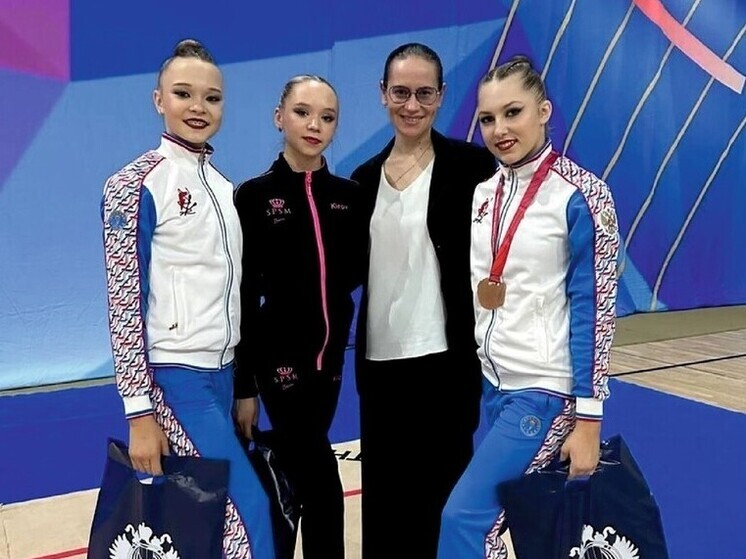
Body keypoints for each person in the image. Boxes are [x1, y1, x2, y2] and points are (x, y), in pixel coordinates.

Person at [436, 55, 620, 558]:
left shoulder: (582, 195)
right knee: (510, 523)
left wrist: (589, 419)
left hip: (545, 392)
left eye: (512, 112)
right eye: (487, 118)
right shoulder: (484, 193)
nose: (499, 129)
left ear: (544, 111)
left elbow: (596, 308)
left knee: (465, 520)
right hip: (496, 385)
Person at [100, 39, 275, 559]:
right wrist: (139, 413)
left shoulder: (222, 186)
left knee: (204, 527)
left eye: (212, 98)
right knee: (247, 514)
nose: (198, 107)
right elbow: (124, 301)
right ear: (159, 100)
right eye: (183, 94)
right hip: (175, 380)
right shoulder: (134, 184)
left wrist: (242, 386)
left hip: (221, 376)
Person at [350, 43, 496, 558]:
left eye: (424, 93)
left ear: (441, 95)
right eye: (401, 92)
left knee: (445, 499)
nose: (412, 105)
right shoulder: (362, 180)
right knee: (387, 503)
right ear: (383, 94)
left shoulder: (474, 168)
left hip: (446, 364)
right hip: (380, 365)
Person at [233, 75, 371, 559]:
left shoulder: (349, 196)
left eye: (327, 117)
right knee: (321, 479)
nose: (315, 125)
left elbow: (354, 274)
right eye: (302, 112)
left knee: (296, 471)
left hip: (328, 362)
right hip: (277, 359)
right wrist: (245, 386)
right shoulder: (253, 196)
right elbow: (243, 295)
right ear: (279, 117)